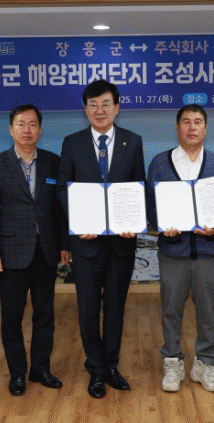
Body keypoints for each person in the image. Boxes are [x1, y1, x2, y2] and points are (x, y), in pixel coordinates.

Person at [57, 79, 145, 399]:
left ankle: (111, 366)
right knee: (88, 308)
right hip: (86, 243)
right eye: (93, 104)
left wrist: (133, 221)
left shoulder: (133, 141)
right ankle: (95, 368)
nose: (99, 110)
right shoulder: (72, 143)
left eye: (106, 103)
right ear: (85, 109)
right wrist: (79, 222)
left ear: (117, 107)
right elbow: (62, 189)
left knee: (116, 307)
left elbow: (137, 187)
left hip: (121, 243)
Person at [145, 104, 214, 393]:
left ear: (205, 128)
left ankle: (205, 364)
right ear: (177, 128)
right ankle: (173, 361)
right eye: (186, 121)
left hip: (208, 252)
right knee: (171, 310)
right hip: (173, 252)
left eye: (198, 122)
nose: (192, 127)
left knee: (208, 311)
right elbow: (150, 205)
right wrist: (162, 225)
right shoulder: (160, 163)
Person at [0, 104, 70, 396]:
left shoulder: (53, 162)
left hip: (46, 251)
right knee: (12, 317)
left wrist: (64, 245)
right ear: (11, 130)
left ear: (40, 130)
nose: (27, 130)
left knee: (45, 315)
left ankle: (40, 369)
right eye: (21, 124)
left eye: (32, 124)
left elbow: (60, 209)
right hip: (10, 253)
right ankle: (17, 372)